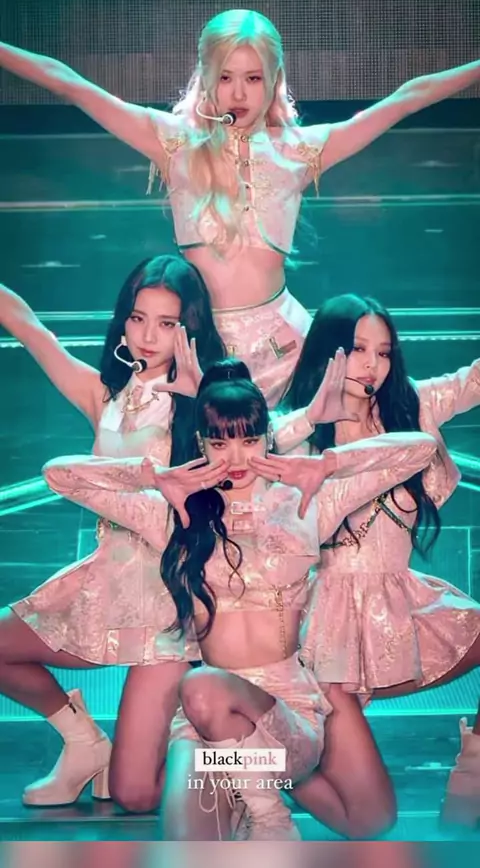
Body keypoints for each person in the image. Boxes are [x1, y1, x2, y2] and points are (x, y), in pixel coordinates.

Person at [41, 358, 438, 840]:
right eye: (220, 443)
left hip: (288, 721)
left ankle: (269, 816)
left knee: (202, 686)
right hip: (209, 733)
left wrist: (327, 464)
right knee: (189, 841)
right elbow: (58, 475)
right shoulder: (174, 515)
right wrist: (152, 477)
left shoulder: (306, 504)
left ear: (267, 438)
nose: (236, 457)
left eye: (249, 440)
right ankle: (255, 792)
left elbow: (420, 449)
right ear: (201, 444)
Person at [2, 10, 480, 403]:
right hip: (200, 345)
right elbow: (69, 83)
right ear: (206, 78)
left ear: (274, 80)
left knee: (372, 423)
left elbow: (405, 99)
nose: (238, 92)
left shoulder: (298, 150)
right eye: (226, 77)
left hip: (288, 346)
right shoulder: (173, 143)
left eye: (253, 78)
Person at [0, 254, 226, 811]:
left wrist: (202, 396)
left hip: (170, 605)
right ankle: (84, 742)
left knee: (136, 794)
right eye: (138, 318)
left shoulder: (211, 402)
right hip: (106, 582)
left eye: (167, 323)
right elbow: (29, 327)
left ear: (190, 328)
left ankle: (264, 762)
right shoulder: (105, 397)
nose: (148, 336)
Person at [280, 294, 480, 828]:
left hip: (400, 607)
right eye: (358, 349)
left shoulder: (409, 405)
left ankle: (472, 774)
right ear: (328, 351)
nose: (372, 364)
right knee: (372, 822)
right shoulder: (297, 430)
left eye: (384, 352)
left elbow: (472, 381)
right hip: (323, 630)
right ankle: (251, 769)